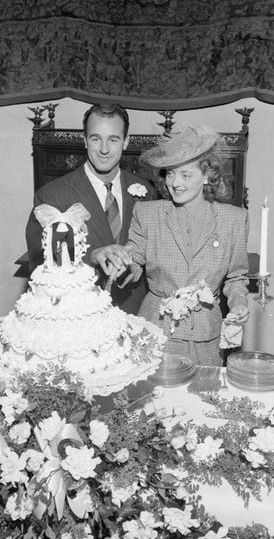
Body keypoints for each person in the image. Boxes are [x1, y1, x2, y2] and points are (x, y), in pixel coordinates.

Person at [91, 125, 249, 367]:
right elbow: (134, 260)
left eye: (186, 175)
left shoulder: (234, 219)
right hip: (157, 327)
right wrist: (120, 264)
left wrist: (238, 305)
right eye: (170, 174)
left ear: (207, 176)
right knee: (153, 401)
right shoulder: (147, 213)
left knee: (203, 398)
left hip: (206, 334)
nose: (175, 183)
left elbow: (236, 278)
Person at [25, 103, 156, 314]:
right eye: (96, 139)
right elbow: (39, 262)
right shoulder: (52, 196)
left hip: (134, 312)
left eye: (113, 139)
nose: (104, 149)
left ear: (126, 142)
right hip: (78, 316)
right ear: (85, 141)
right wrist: (90, 256)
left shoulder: (145, 190)